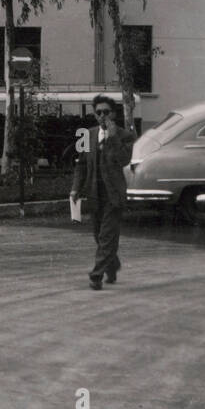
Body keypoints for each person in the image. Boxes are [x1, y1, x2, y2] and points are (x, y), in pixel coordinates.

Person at [70, 95, 135, 290]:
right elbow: (81, 165)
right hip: (94, 193)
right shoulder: (87, 135)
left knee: (107, 236)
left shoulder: (125, 135)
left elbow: (124, 160)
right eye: (98, 112)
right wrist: (75, 188)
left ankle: (96, 275)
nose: (102, 116)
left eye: (106, 112)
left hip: (114, 195)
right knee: (99, 236)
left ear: (113, 114)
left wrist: (113, 137)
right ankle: (112, 265)